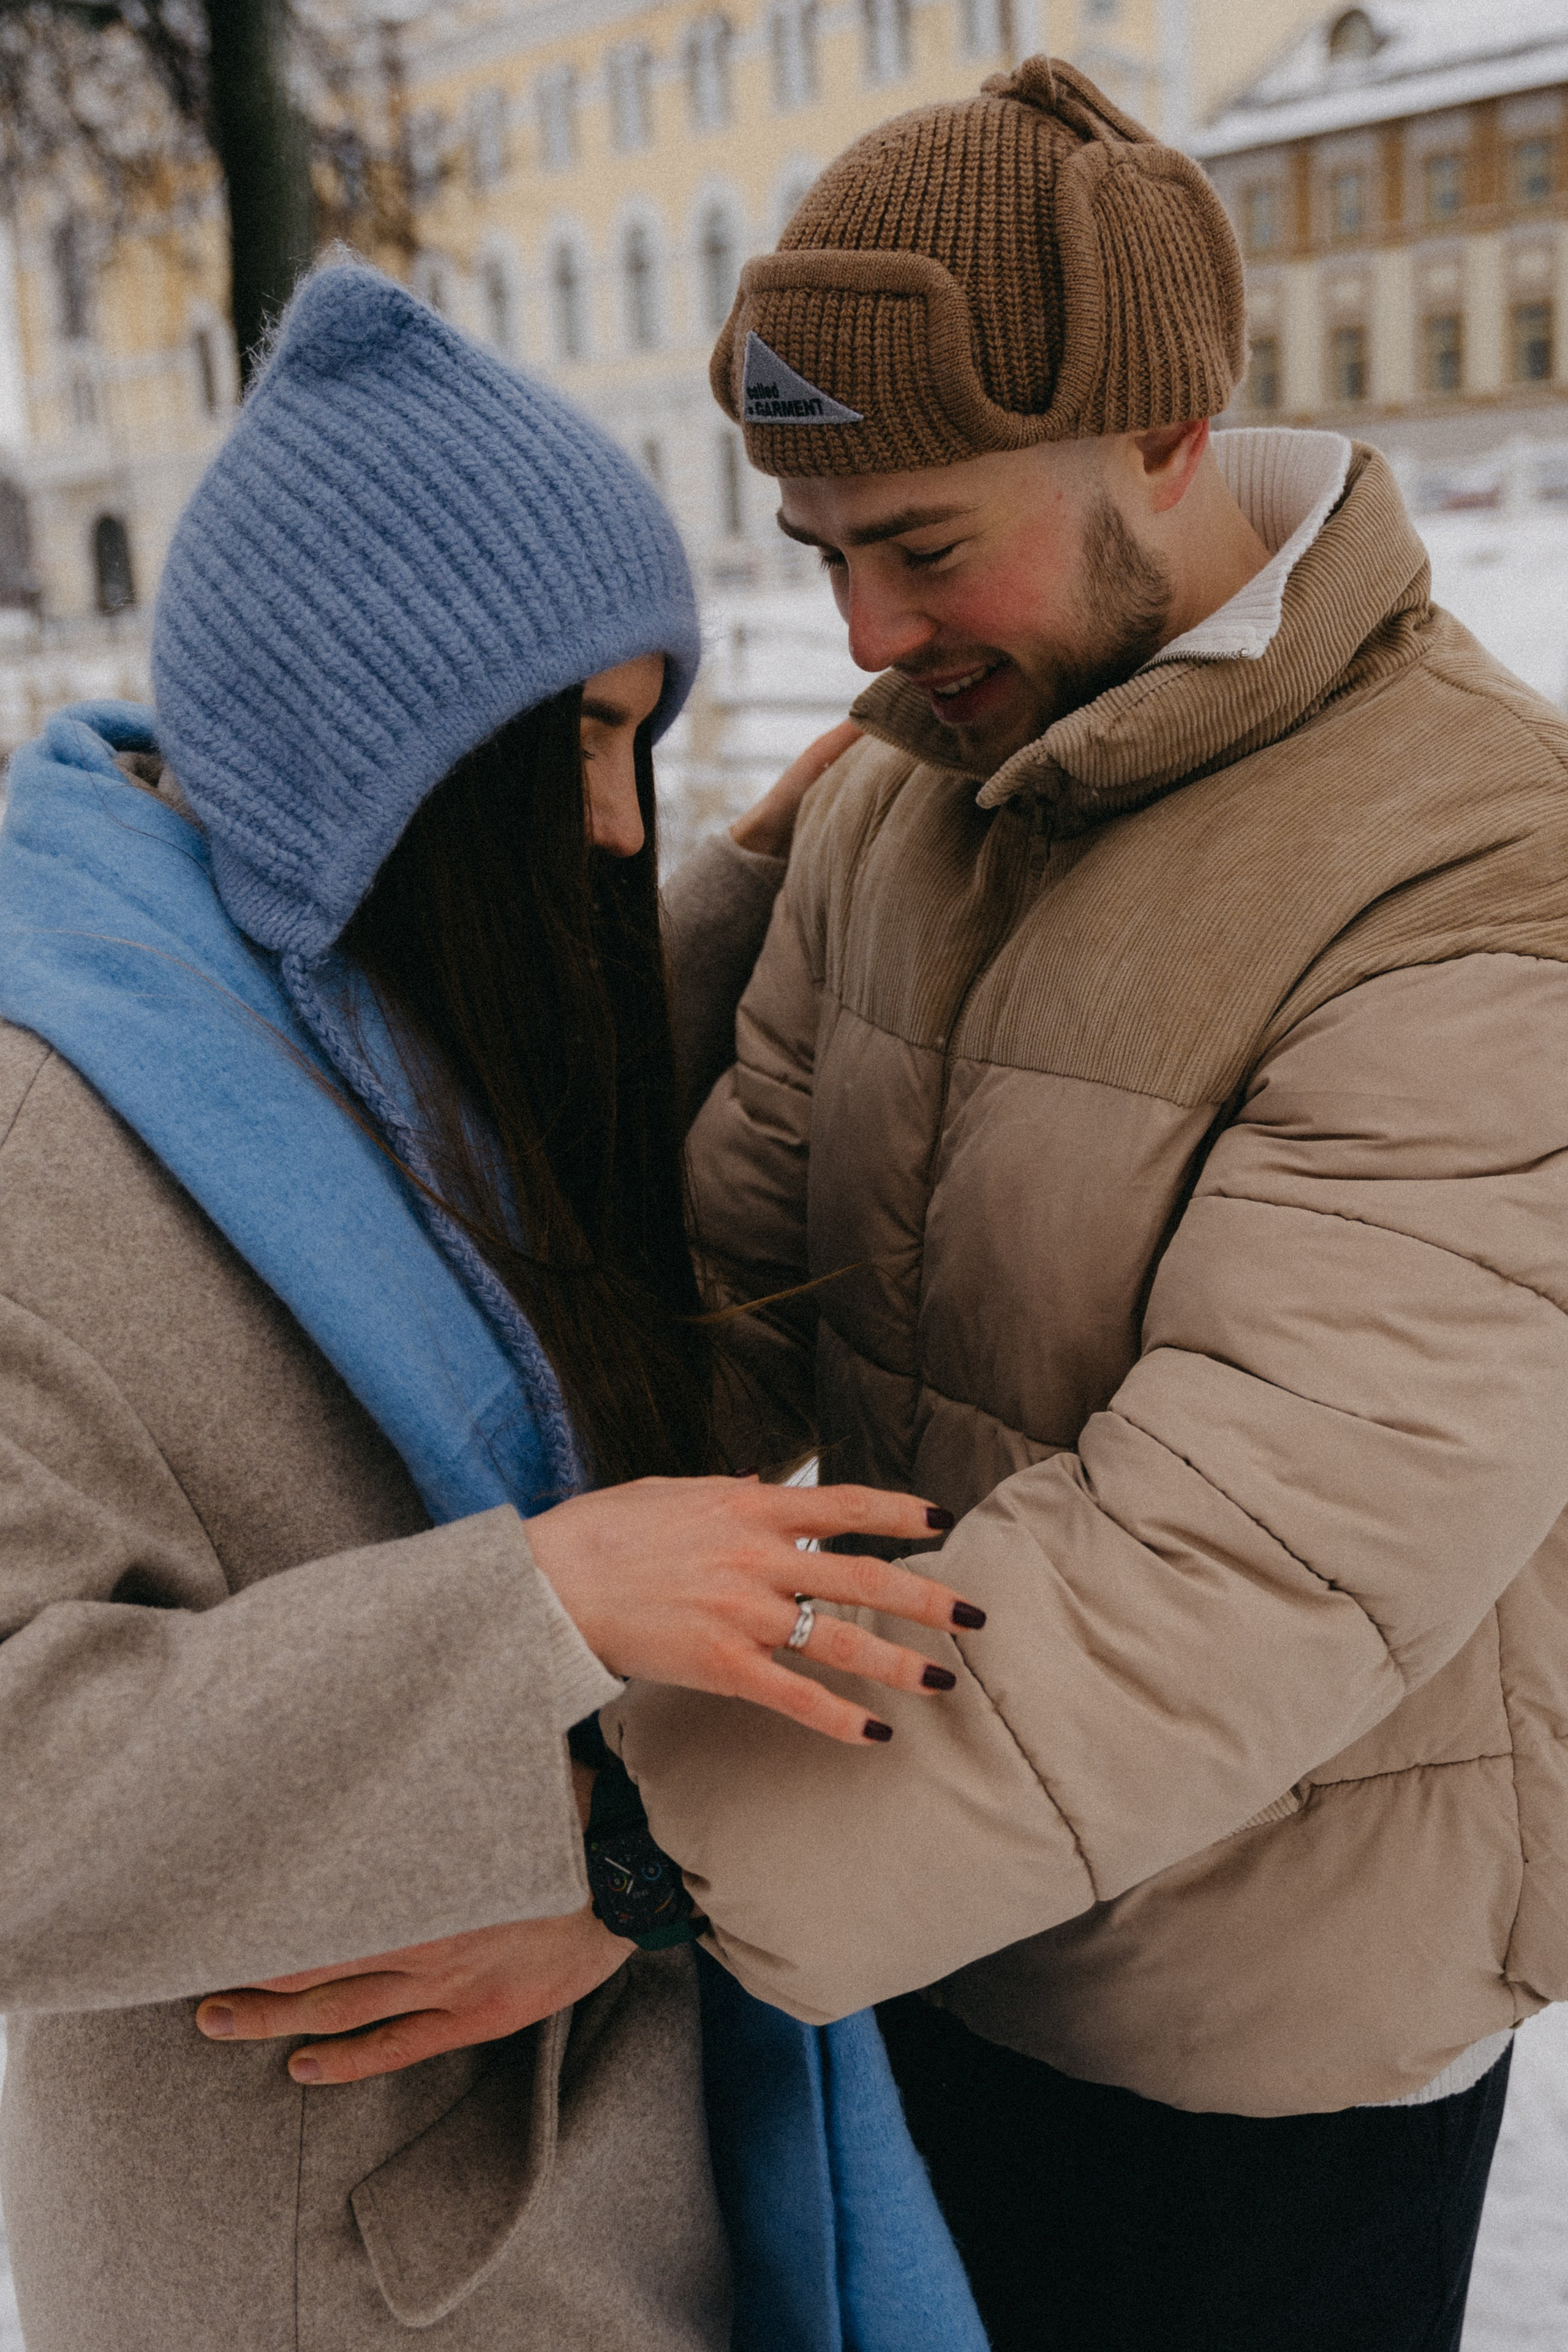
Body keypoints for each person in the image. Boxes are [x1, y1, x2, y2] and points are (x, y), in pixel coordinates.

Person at [563, 55, 1568, 2352]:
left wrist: (642, 1860)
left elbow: (1249, 1557)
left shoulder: (1488, 862)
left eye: (924, 545)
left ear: (1165, 433)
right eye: (823, 558)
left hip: (1263, 2044)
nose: (865, 639)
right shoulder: (906, 797)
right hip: (909, 1932)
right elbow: (740, 1278)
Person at [0, 262, 985, 2351]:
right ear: (393, 753)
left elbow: (480, 1229)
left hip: (578, 2186)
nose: (621, 825)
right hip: (326, 2259)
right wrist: (533, 1603)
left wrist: (770, 874)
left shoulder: (318, 980)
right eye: (590, 748)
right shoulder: (40, 1133)